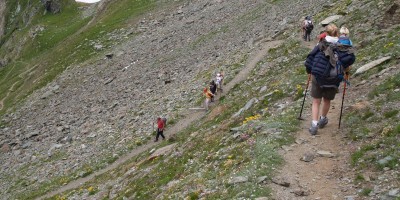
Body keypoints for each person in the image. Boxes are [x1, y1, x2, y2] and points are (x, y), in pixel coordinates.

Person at [304, 23, 355, 135]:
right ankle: (323, 119)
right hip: (333, 77)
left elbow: (310, 59)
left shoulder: (321, 44)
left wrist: (309, 70)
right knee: (327, 100)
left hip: (318, 75)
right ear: (337, 33)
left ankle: (314, 124)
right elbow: (349, 60)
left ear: (326, 33)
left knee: (316, 101)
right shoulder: (342, 46)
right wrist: (346, 71)